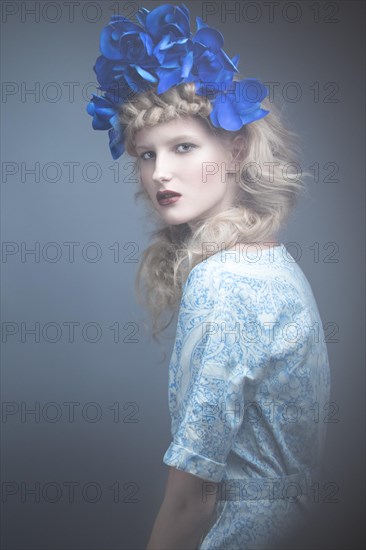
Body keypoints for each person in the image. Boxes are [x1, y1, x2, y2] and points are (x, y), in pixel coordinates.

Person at [87, 4, 331, 549]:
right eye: (146, 156)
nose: (160, 173)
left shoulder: (224, 282)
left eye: (183, 147)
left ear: (236, 149)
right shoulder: (271, 261)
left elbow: (191, 501)